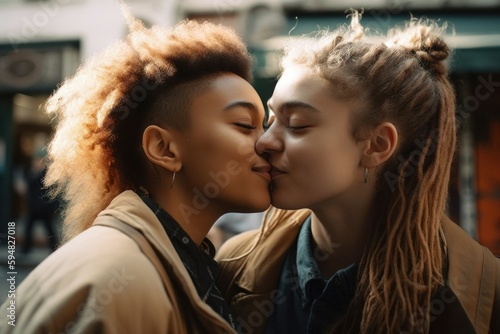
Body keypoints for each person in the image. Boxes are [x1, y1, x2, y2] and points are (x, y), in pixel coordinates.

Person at [215, 13, 500, 334]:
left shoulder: (480, 298)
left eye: (296, 125)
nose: (265, 142)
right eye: (271, 120)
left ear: (377, 144)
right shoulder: (232, 266)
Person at [0, 8, 272, 334]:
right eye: (245, 125)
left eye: (264, 126)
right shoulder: (120, 282)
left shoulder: (177, 263)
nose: (268, 142)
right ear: (163, 148)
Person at [21, 148, 59, 254]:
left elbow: (52, 190)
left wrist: (51, 207)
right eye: (35, 160)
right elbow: (27, 185)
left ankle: (54, 249)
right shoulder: (30, 173)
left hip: (44, 208)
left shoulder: (46, 174)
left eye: (39, 160)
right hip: (33, 207)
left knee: (49, 229)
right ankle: (25, 249)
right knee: (28, 228)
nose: (36, 163)